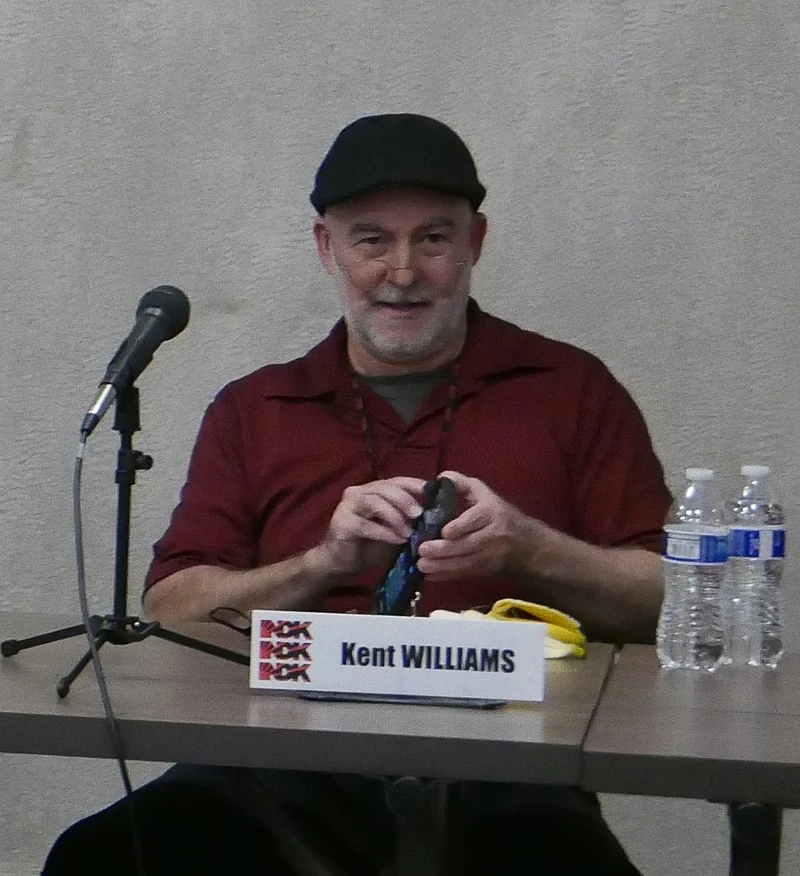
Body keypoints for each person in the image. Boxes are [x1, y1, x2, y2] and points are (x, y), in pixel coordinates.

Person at [44, 113, 671, 876]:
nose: (402, 272)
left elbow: (667, 602)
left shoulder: (571, 389)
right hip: (274, 769)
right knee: (101, 858)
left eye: (432, 239)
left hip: (508, 764)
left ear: (474, 243)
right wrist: (323, 564)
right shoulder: (255, 408)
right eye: (371, 240)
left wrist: (530, 548)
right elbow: (170, 607)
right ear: (327, 248)